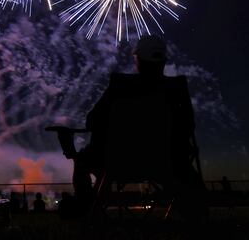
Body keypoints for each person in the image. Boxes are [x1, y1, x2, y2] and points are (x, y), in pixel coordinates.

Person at [54, 35, 203, 213]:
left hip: (115, 163)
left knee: (81, 160)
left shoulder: (120, 85)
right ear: (163, 61)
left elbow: (92, 121)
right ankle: (190, 209)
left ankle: (87, 205)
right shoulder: (177, 88)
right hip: (167, 164)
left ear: (137, 60)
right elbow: (188, 126)